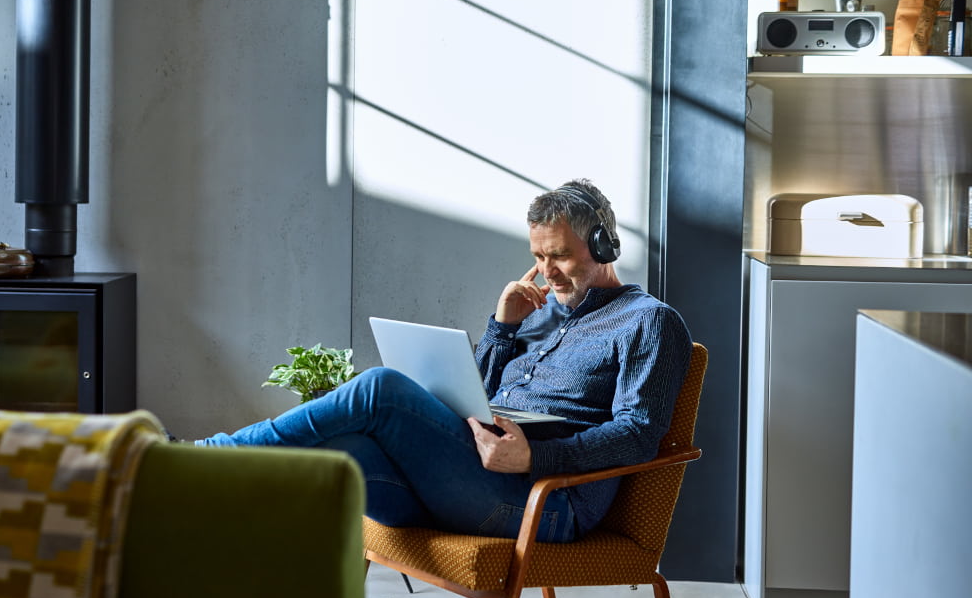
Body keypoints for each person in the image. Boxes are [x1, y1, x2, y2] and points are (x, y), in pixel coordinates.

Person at [198, 179, 692, 543]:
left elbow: (638, 434)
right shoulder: (535, 312)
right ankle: (207, 510)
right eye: (538, 257)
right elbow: (468, 395)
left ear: (604, 244)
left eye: (559, 255)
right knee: (345, 447)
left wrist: (534, 457)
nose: (546, 272)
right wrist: (502, 327)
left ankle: (209, 458)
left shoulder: (649, 321)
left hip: (545, 503)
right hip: (470, 477)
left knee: (380, 390)